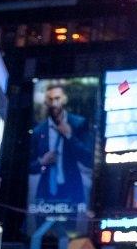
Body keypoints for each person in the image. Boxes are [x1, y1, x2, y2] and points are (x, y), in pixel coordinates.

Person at [28, 84, 93, 224]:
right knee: (41, 235)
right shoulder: (39, 131)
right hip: (46, 193)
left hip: (71, 191)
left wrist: (70, 135)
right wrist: (42, 162)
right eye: (50, 99)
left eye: (57, 98)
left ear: (64, 99)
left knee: (69, 237)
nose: (54, 103)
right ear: (46, 102)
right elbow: (28, 166)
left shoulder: (79, 124)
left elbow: (88, 159)